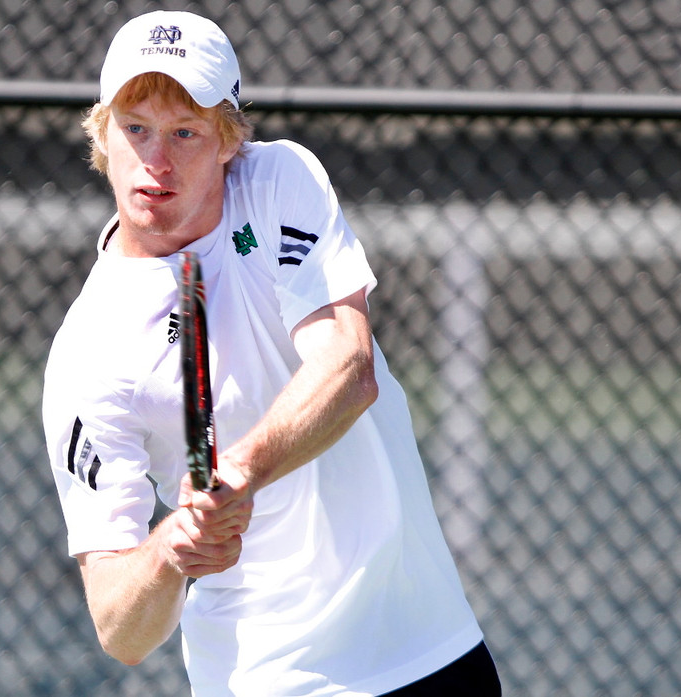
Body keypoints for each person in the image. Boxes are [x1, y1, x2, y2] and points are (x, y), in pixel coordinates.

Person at [43, 10, 501, 696]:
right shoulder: (88, 353)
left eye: (185, 132)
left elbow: (348, 368)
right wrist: (170, 550)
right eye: (135, 128)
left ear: (229, 140)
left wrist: (237, 474)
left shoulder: (276, 183)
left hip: (431, 651)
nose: (155, 161)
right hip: (270, 680)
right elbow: (119, 627)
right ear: (102, 132)